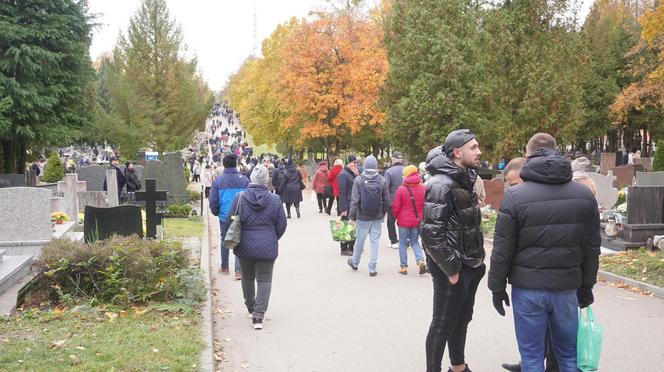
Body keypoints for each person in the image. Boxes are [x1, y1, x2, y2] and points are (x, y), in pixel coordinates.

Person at [488, 133, 600, 372]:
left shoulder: (515, 196)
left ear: (527, 157)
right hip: (566, 287)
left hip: (528, 289)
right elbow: (591, 247)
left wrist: (496, 287)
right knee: (568, 356)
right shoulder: (584, 196)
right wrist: (587, 285)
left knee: (532, 358)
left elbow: (502, 248)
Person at [421, 129, 485, 372]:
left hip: (470, 264)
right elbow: (431, 233)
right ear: (458, 153)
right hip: (453, 268)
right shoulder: (440, 184)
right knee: (443, 324)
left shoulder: (463, 177)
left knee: (461, 321)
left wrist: (477, 262)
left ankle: (458, 367)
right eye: (474, 147)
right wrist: (451, 269)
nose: (479, 152)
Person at [497, 156, 560, 372]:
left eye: (514, 183)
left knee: (550, 343)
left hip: (542, 281)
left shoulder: (528, 200)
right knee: (541, 340)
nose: (512, 188)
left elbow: (503, 249)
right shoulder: (520, 200)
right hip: (544, 279)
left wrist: (496, 286)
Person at [229, 165, 287, 330]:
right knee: (265, 279)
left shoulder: (240, 198)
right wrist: (272, 237)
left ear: (252, 179)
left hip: (244, 245)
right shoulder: (275, 200)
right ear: (266, 181)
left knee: (247, 277)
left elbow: (230, 219)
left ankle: (250, 307)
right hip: (267, 246)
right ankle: (259, 316)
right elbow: (282, 224)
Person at [346, 155, 389, 276]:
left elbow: (354, 201)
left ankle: (355, 262)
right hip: (377, 216)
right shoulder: (381, 180)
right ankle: (372, 268)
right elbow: (386, 201)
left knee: (360, 240)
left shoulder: (359, 180)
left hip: (363, 216)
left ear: (364, 166)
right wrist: (382, 213)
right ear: (376, 166)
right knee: (374, 242)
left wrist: (351, 217)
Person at [209, 154, 249, 279]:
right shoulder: (244, 180)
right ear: (236, 164)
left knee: (224, 239)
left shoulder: (218, 181)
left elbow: (213, 201)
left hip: (225, 216)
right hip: (241, 215)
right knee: (239, 240)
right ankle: (238, 270)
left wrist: (217, 212)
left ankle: (225, 267)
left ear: (224, 164)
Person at [391, 165, 427, 275]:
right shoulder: (423, 188)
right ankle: (420, 260)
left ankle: (403, 267)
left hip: (403, 221)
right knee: (415, 241)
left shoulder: (401, 189)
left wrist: (395, 216)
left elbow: (396, 206)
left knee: (402, 243)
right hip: (417, 220)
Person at [337, 155, 359, 256]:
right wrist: (343, 208)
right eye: (354, 162)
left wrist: (357, 175)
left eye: (357, 163)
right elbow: (341, 192)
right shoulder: (343, 175)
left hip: (353, 204)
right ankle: (344, 248)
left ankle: (351, 246)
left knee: (352, 226)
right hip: (347, 204)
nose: (356, 165)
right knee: (345, 227)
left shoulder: (352, 174)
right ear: (349, 162)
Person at [384, 151, 405, 249]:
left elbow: (385, 187)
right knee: (405, 221)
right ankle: (405, 240)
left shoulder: (389, 172)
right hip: (406, 200)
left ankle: (393, 240)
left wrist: (385, 200)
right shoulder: (406, 170)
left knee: (391, 221)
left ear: (393, 160)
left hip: (392, 200)